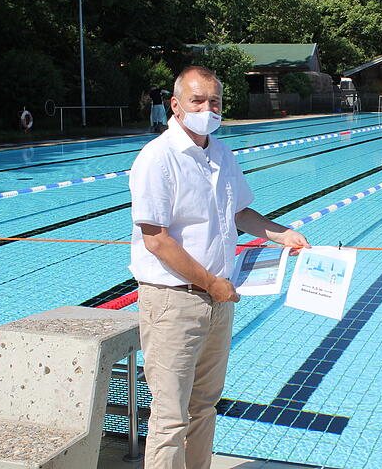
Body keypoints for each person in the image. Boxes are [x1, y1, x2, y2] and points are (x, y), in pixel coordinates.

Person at [129, 65, 310, 468]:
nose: (208, 108)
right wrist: (212, 283)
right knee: (170, 417)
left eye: (215, 102)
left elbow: (240, 212)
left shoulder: (221, 153)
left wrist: (281, 234)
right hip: (174, 302)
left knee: (204, 407)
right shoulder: (157, 158)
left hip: (218, 297)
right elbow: (156, 239)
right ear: (176, 105)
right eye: (198, 100)